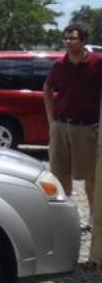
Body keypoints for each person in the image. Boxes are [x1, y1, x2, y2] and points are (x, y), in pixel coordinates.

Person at [43, 24, 102, 251]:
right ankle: (65, 221)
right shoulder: (60, 65)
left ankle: (94, 219)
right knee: (60, 175)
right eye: (66, 38)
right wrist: (50, 118)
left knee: (91, 177)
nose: (68, 42)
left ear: (83, 40)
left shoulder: (96, 62)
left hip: (86, 128)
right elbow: (47, 88)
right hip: (61, 126)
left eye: (73, 38)